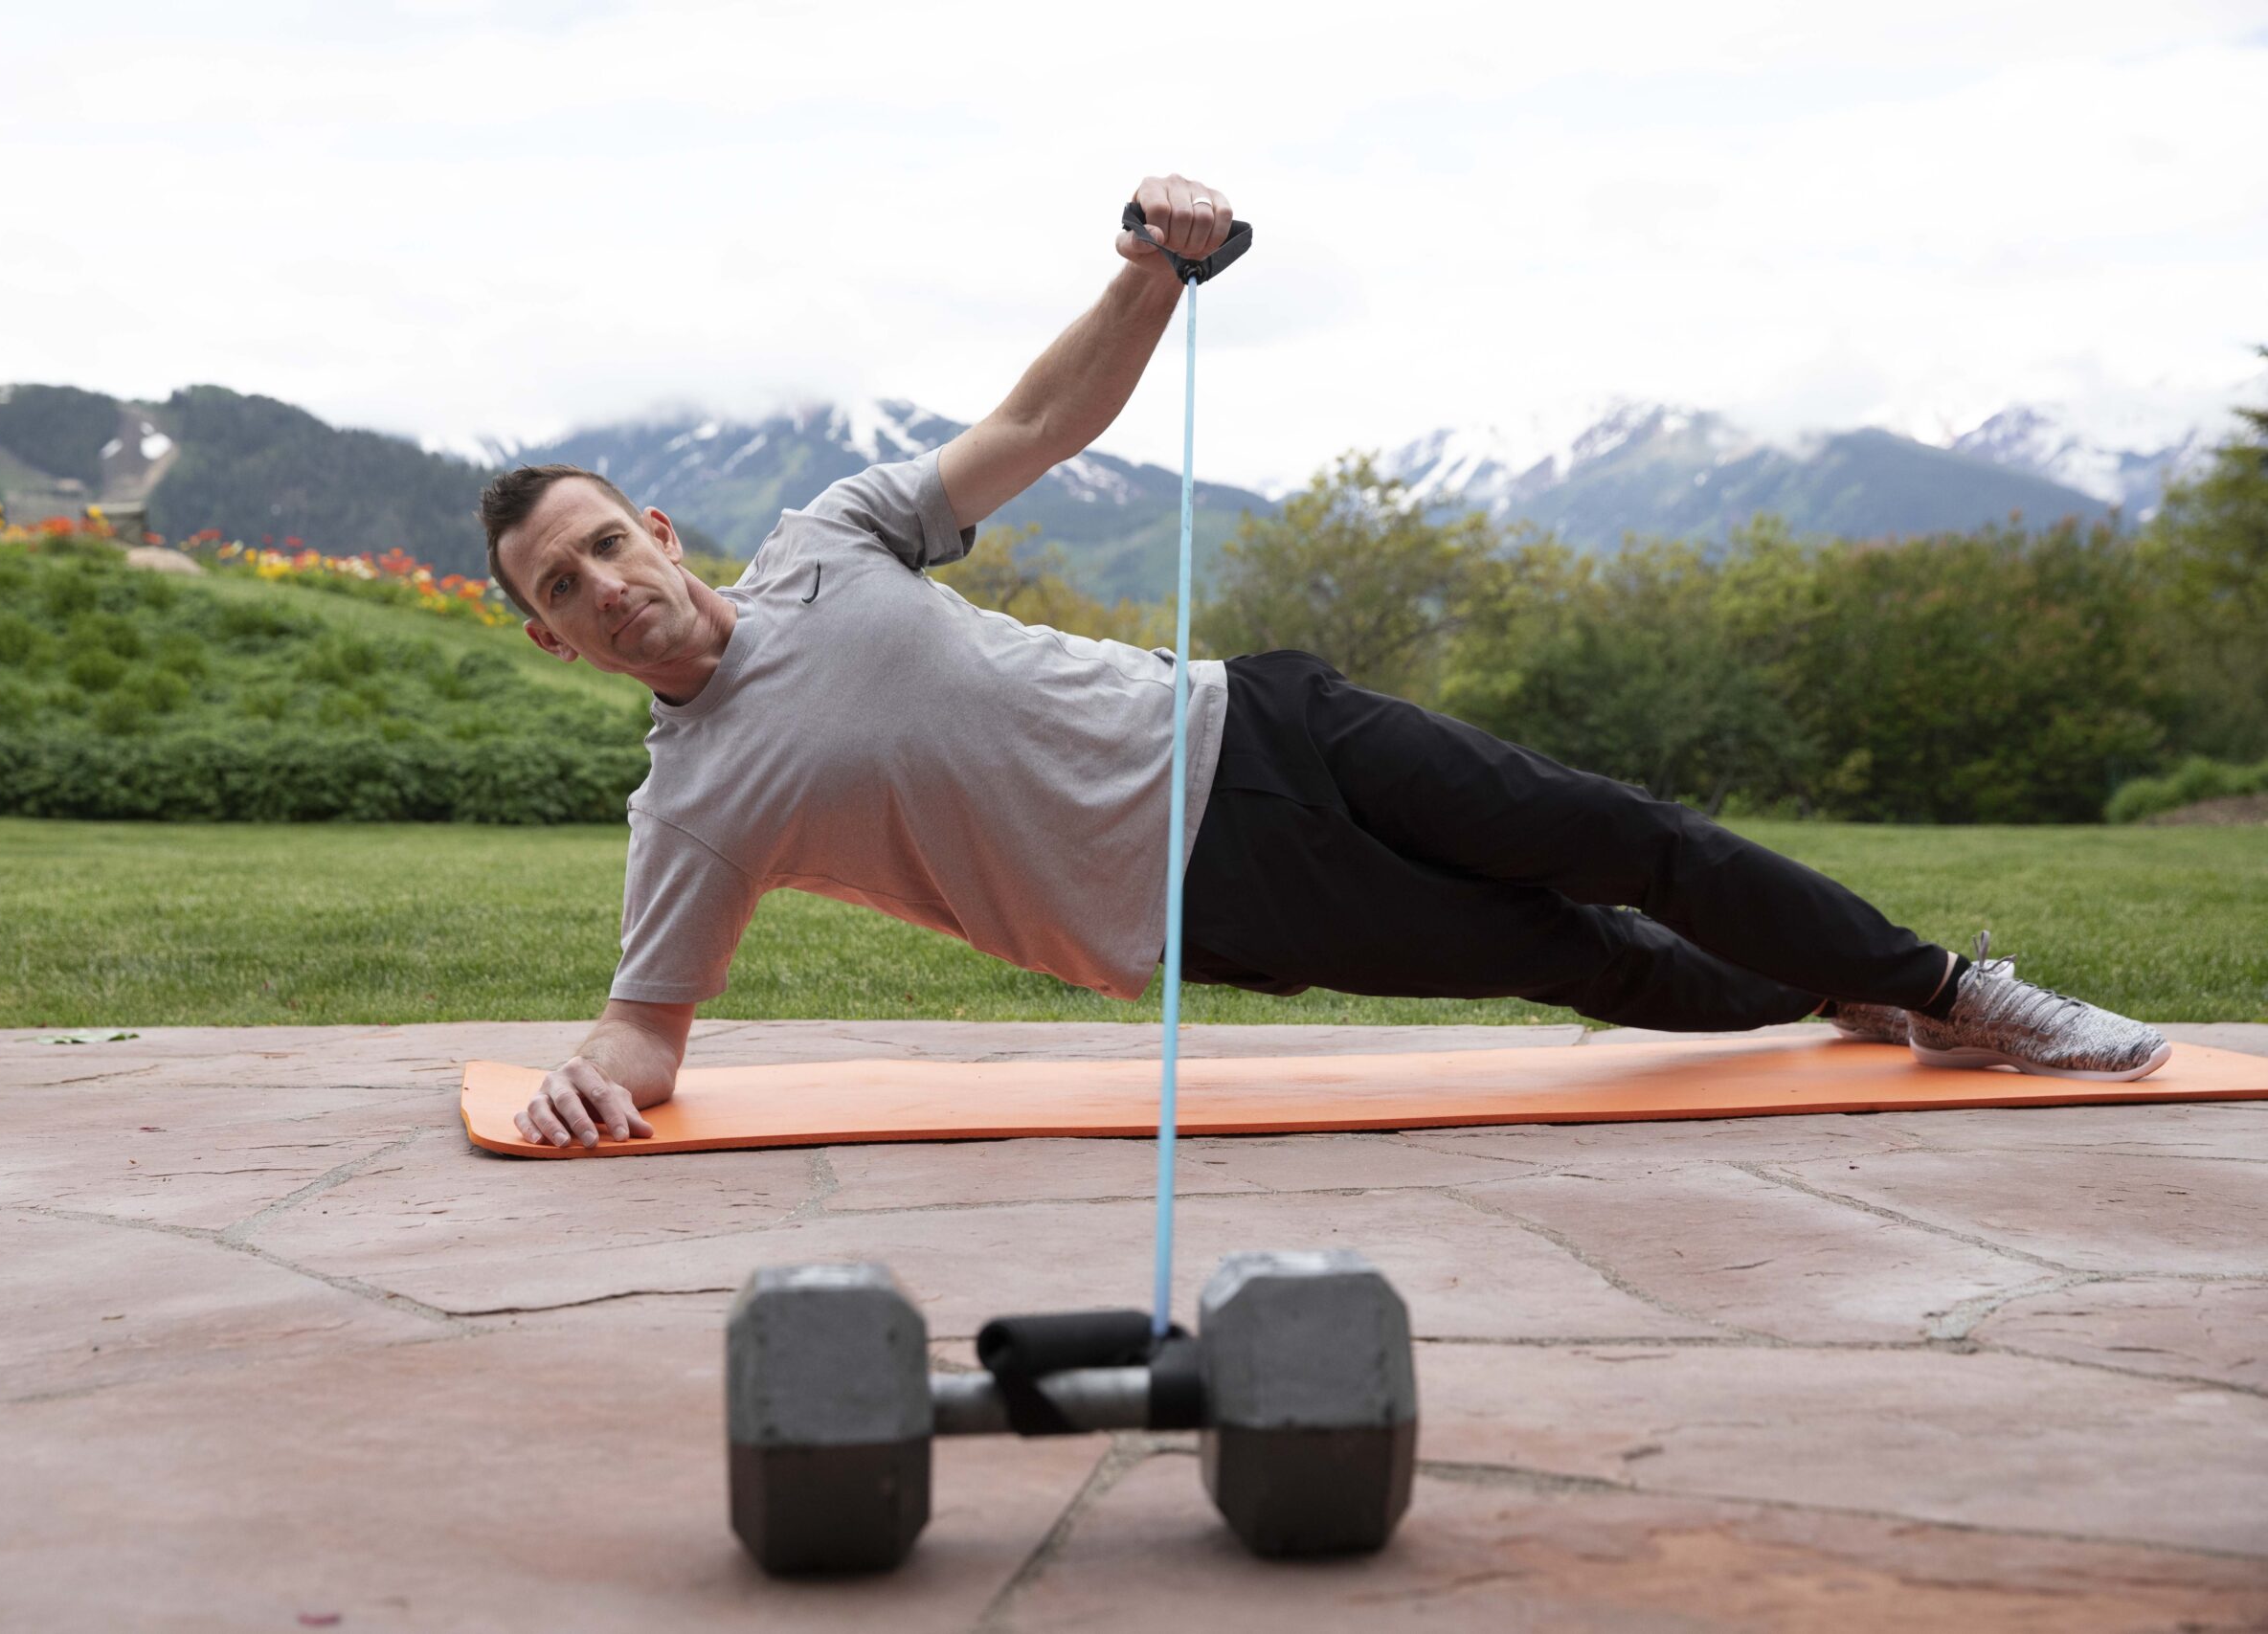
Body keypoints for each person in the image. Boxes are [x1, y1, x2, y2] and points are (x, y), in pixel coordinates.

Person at [479, 172, 2170, 1149]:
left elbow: (1039, 421)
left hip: (1262, 717)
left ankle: (1958, 994)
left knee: (1631, 834)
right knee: (1590, 959)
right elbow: (648, 1031)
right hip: (1207, 896)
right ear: (548, 632)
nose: (606, 587)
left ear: (661, 531)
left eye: (608, 542)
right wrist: (585, 1090)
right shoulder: (690, 811)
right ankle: (1836, 986)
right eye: (564, 586)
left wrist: (1152, 268)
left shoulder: (829, 535)